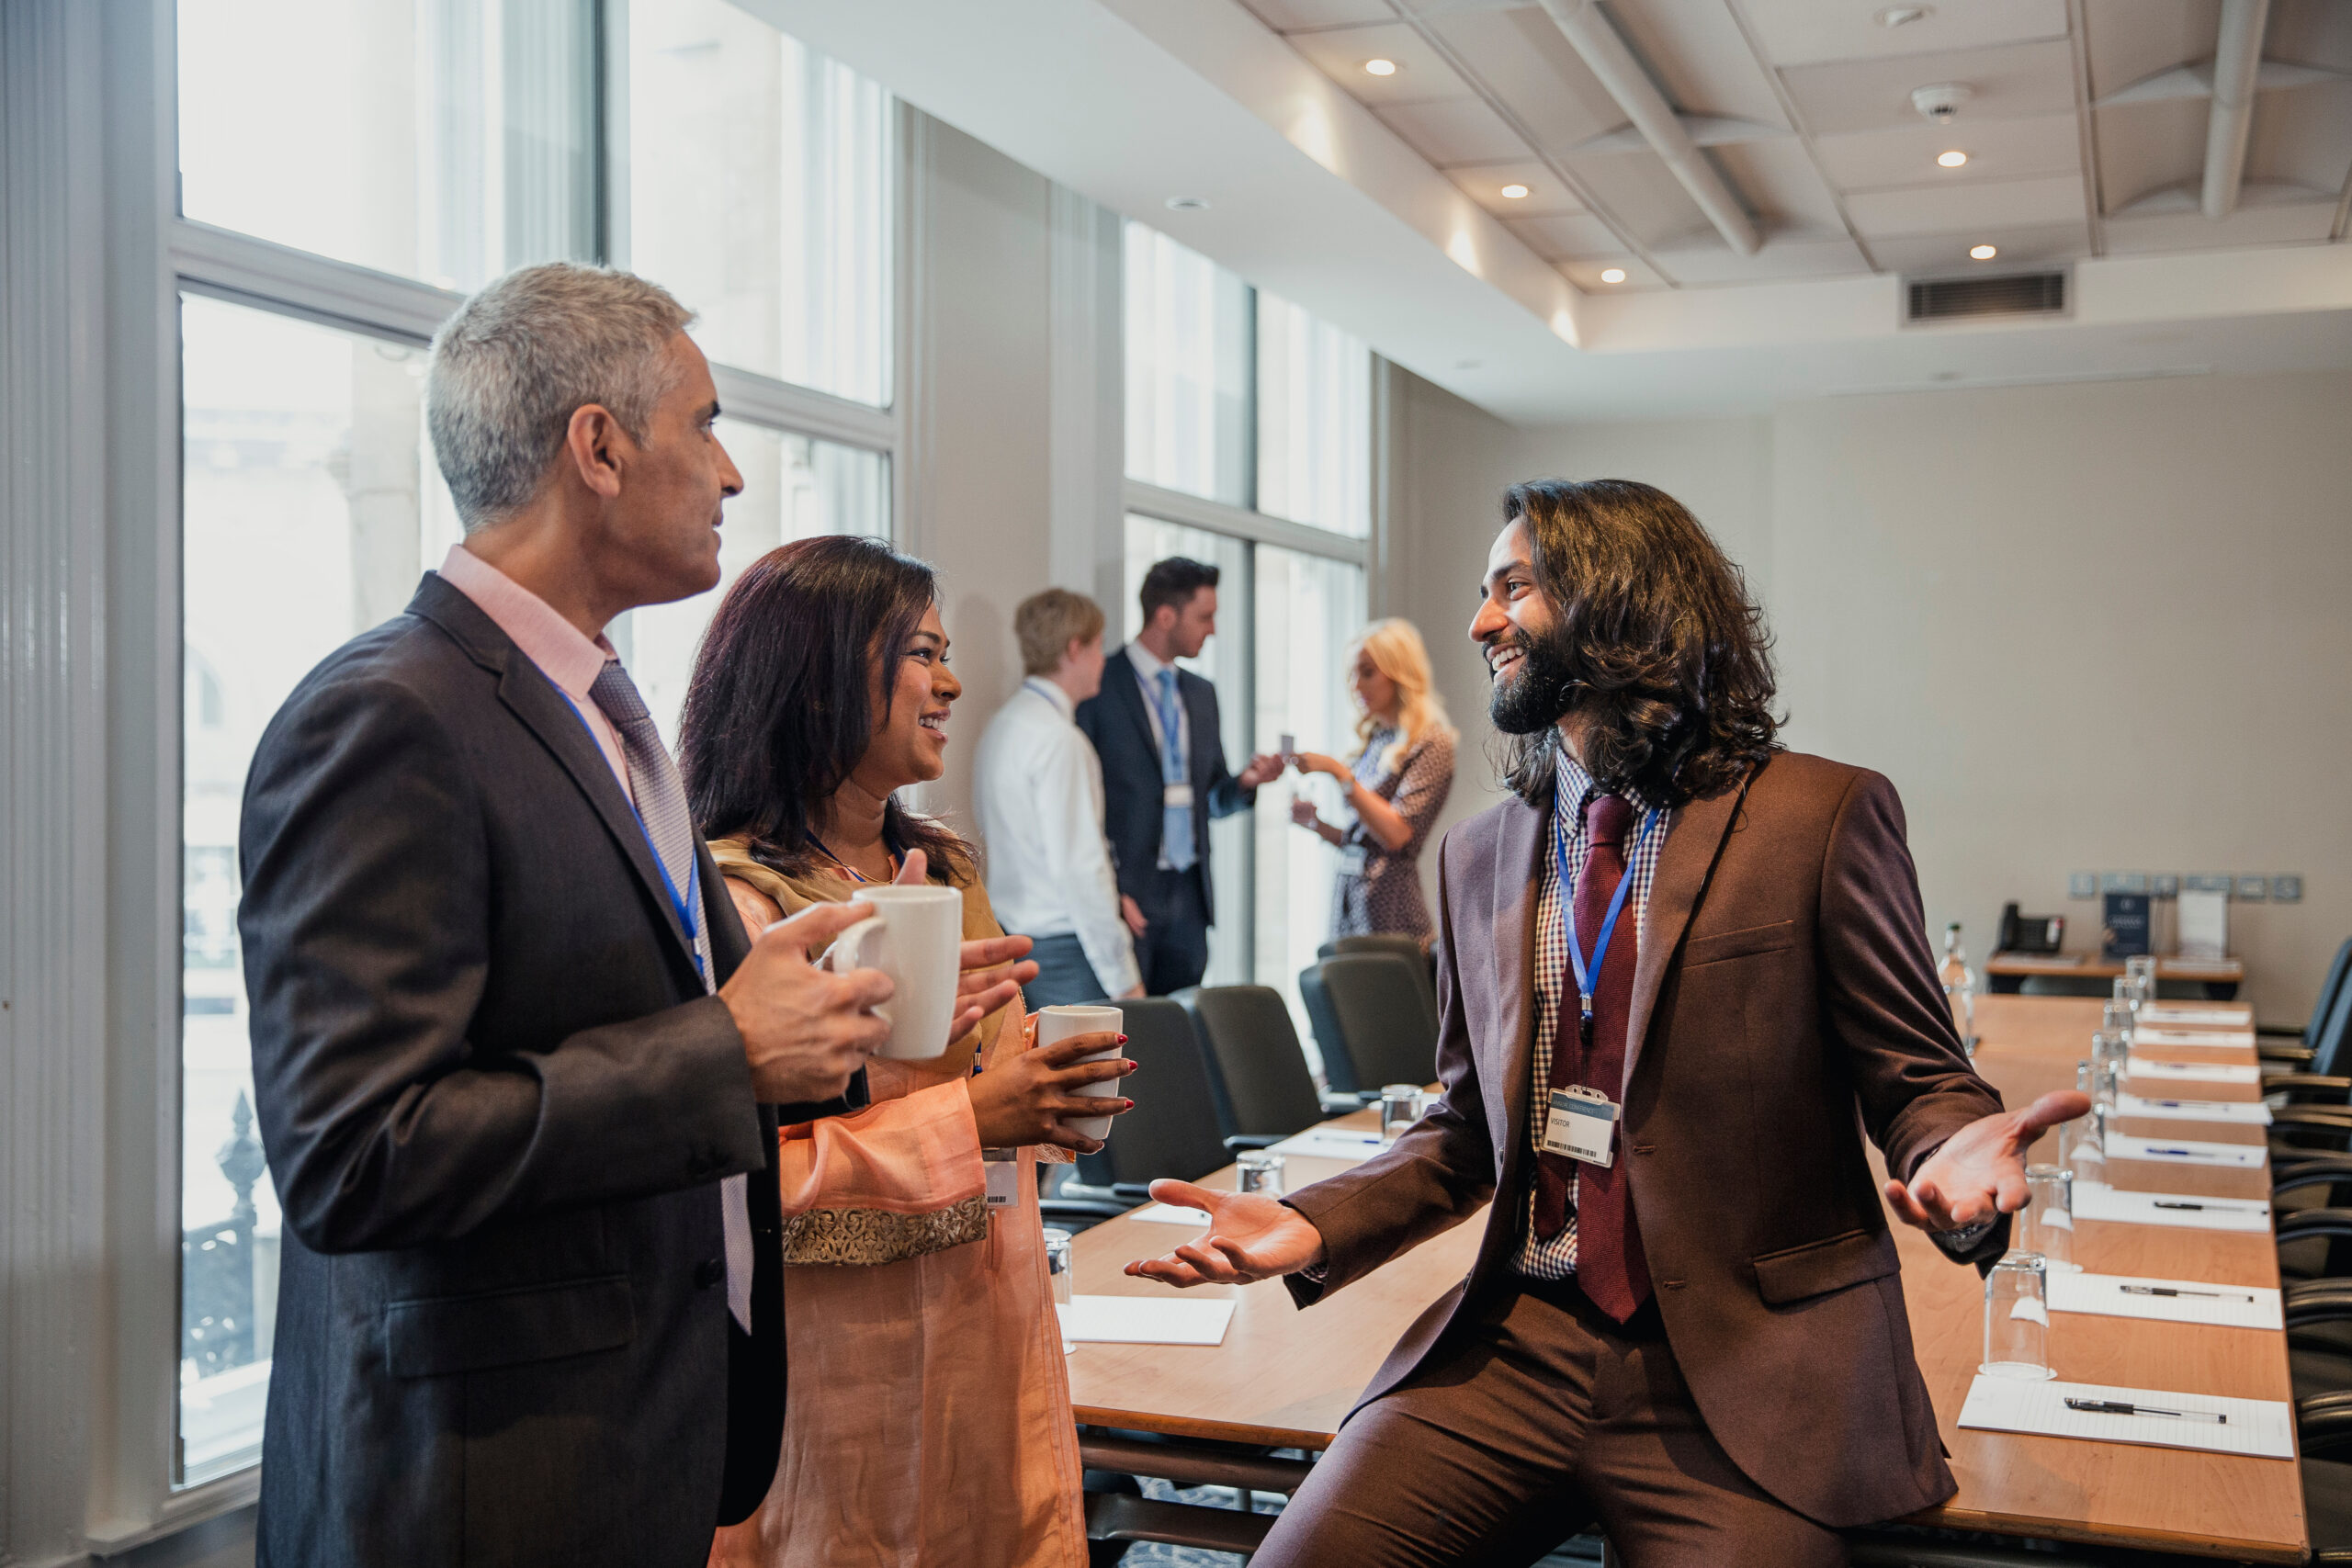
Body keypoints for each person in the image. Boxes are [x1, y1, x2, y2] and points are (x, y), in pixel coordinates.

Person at [1127, 479, 2087, 1567]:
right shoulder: (1480, 855)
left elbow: (1919, 1081)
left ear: (1620, 598)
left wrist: (1955, 1157)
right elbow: (1462, 1131)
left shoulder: (1818, 817)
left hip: (1746, 1363)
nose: (1481, 622)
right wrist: (1314, 1223)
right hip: (1518, 1342)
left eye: (1514, 588)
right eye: (1483, 594)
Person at [237, 264, 1024, 1568]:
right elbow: (352, 1150)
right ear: (598, 446)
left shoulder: (601, 713)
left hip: (643, 1439)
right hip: (487, 1479)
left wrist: (818, 1010)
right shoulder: (387, 714)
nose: (732, 476)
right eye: (707, 424)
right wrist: (728, 1044)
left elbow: (663, 1026)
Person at [682, 536, 1131, 1568]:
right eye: (923, 654)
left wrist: (1053, 1102)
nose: (954, 682)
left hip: (990, 1341)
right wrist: (976, 1117)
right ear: (818, 681)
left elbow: (1002, 1116)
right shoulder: (740, 907)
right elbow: (733, 1201)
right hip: (833, 1397)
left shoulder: (938, 871)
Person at [1075, 558, 1282, 994]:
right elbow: (1079, 803)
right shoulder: (1099, 684)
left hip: (1189, 895)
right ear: (1165, 616)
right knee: (1129, 1034)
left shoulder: (1202, 695)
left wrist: (1244, 784)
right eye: (1205, 617)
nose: (1213, 630)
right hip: (1128, 893)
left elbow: (1211, 797)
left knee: (1178, 1032)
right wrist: (1108, 889)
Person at [976, 588, 1144, 1006]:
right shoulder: (1059, 740)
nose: (1104, 660)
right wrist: (1124, 978)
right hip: (1066, 950)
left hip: (1014, 936)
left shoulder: (1002, 725)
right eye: (1099, 646)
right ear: (1075, 649)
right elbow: (1079, 867)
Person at [1288, 617, 1457, 949]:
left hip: (1391, 910)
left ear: (1398, 672)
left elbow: (1396, 835)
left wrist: (1340, 774)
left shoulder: (1431, 742)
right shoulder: (1375, 740)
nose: (1356, 685)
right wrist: (1317, 826)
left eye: (1367, 673)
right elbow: (1365, 842)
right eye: (1352, 675)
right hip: (1351, 900)